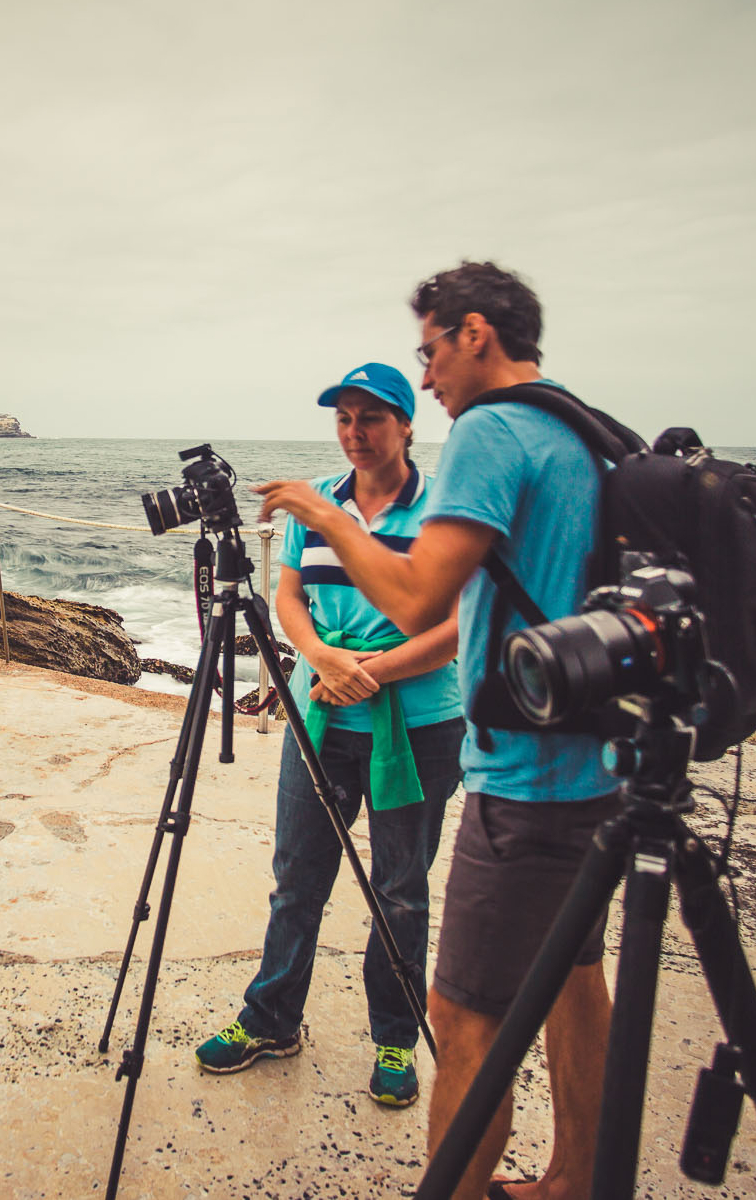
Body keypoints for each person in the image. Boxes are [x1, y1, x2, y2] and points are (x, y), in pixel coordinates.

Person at [254, 263, 615, 1200]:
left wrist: (319, 510)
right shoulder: (579, 425)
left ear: (475, 333)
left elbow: (424, 597)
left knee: (462, 1021)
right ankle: (576, 1180)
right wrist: (322, 651)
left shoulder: (492, 431)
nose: (427, 377)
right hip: (594, 762)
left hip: (522, 773)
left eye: (429, 352)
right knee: (577, 978)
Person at [193, 362, 463, 1109]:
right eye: (344, 418)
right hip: (322, 717)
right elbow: (288, 593)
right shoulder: (318, 501)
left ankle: (395, 1037)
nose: (355, 432)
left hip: (421, 724)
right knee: (297, 878)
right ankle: (272, 1017)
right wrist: (319, 658)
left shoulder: (445, 507)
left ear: (407, 424)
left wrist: (369, 673)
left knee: (401, 889)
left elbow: (452, 626)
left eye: (371, 417)